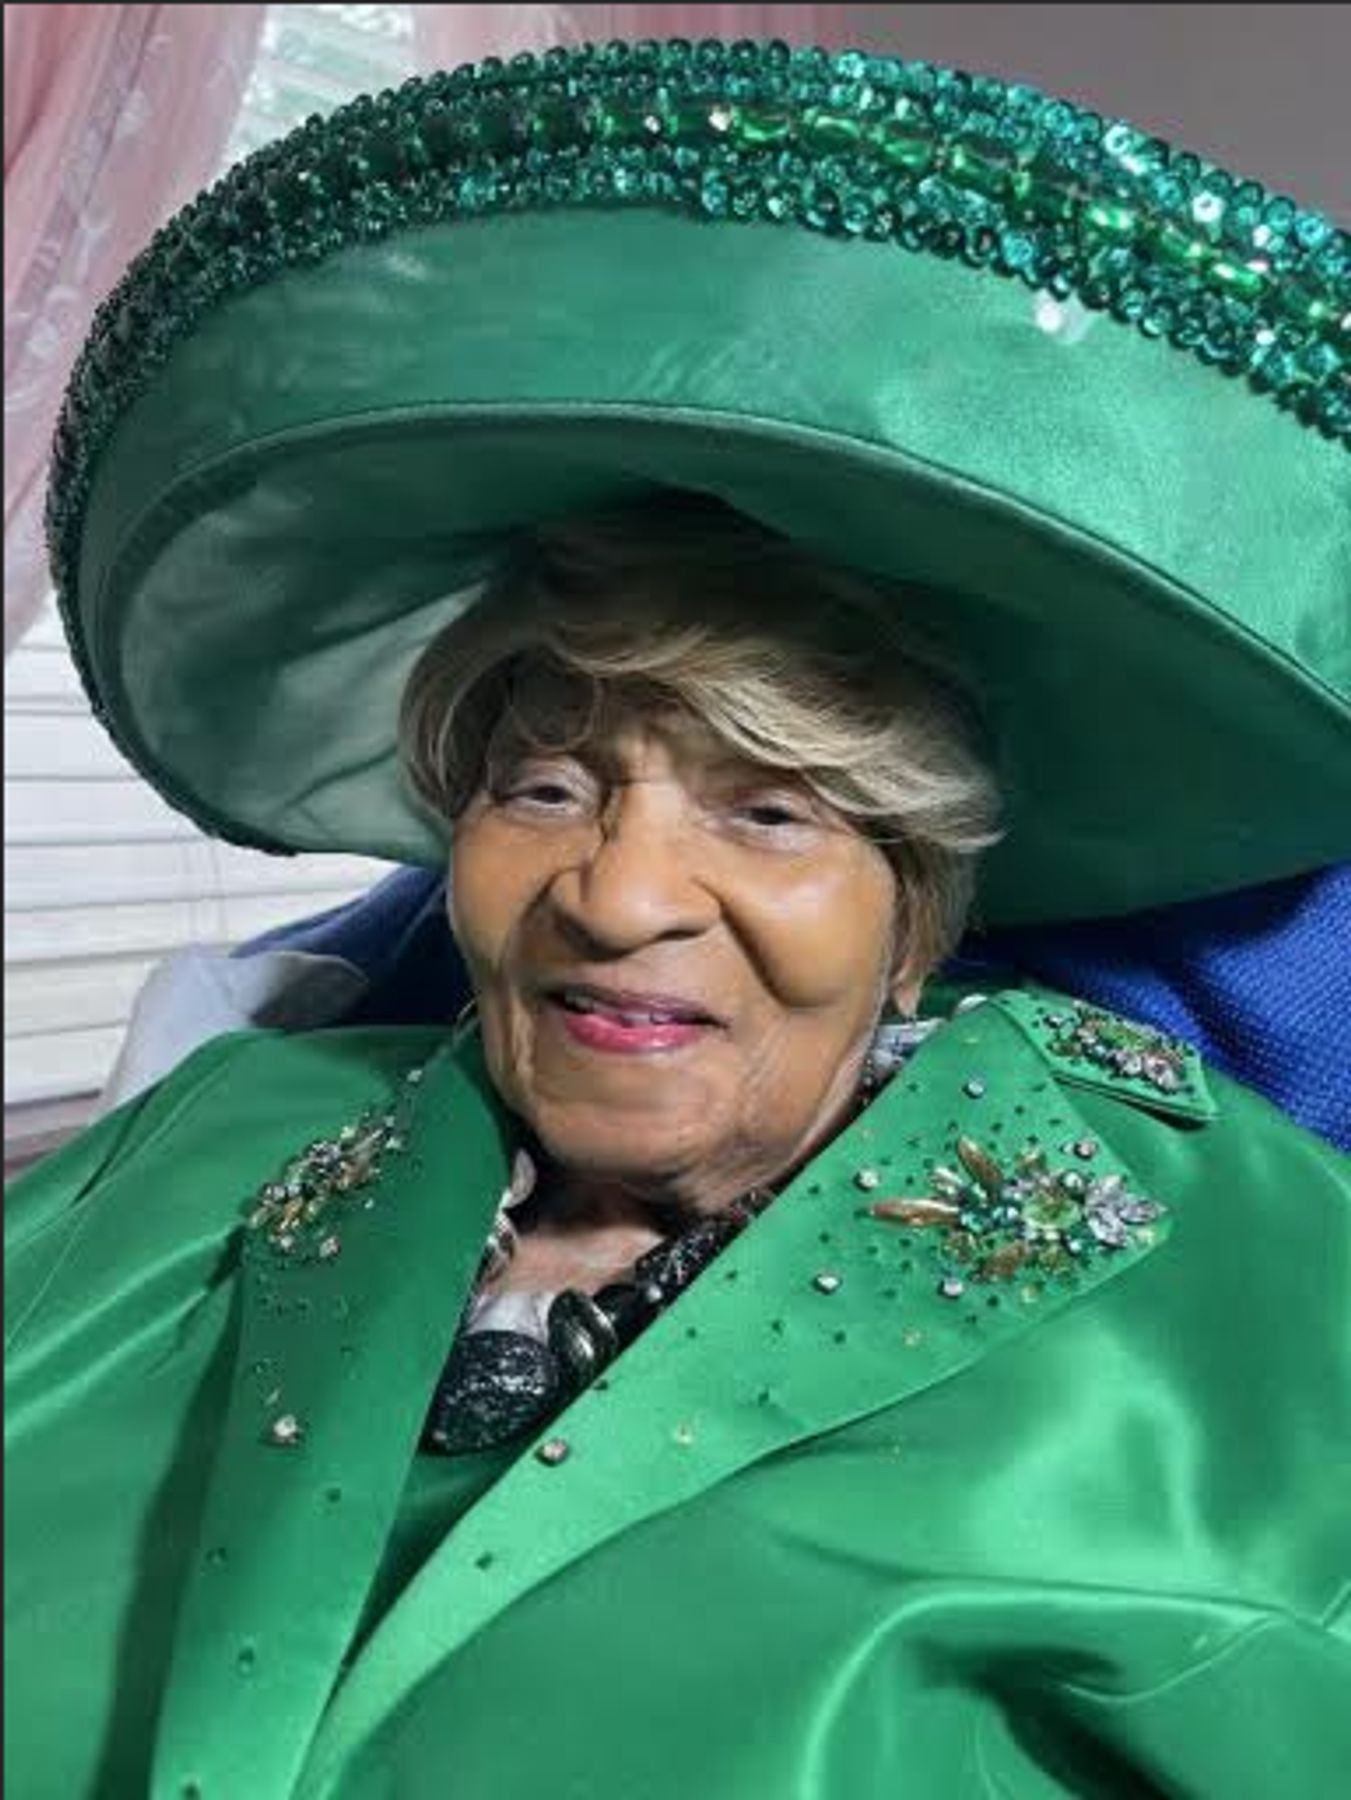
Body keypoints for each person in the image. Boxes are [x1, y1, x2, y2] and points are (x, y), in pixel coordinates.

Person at [7, 35, 1350, 1800]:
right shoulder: (212, 1135)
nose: (620, 896)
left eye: (768, 809)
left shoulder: (1215, 1243)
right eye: (545, 790)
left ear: (918, 904)